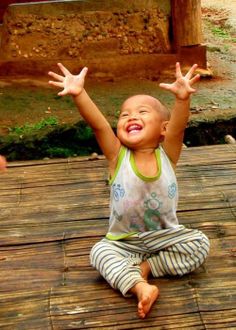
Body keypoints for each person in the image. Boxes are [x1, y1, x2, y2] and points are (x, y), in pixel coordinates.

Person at [48, 62, 210, 319]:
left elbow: (178, 127)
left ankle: (146, 268)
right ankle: (140, 287)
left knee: (200, 244)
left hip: (165, 236)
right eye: (124, 114)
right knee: (99, 253)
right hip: (124, 242)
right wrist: (80, 93)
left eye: (142, 112)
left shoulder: (168, 155)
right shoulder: (117, 156)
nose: (131, 116)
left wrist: (182, 99)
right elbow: (100, 125)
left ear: (162, 129)